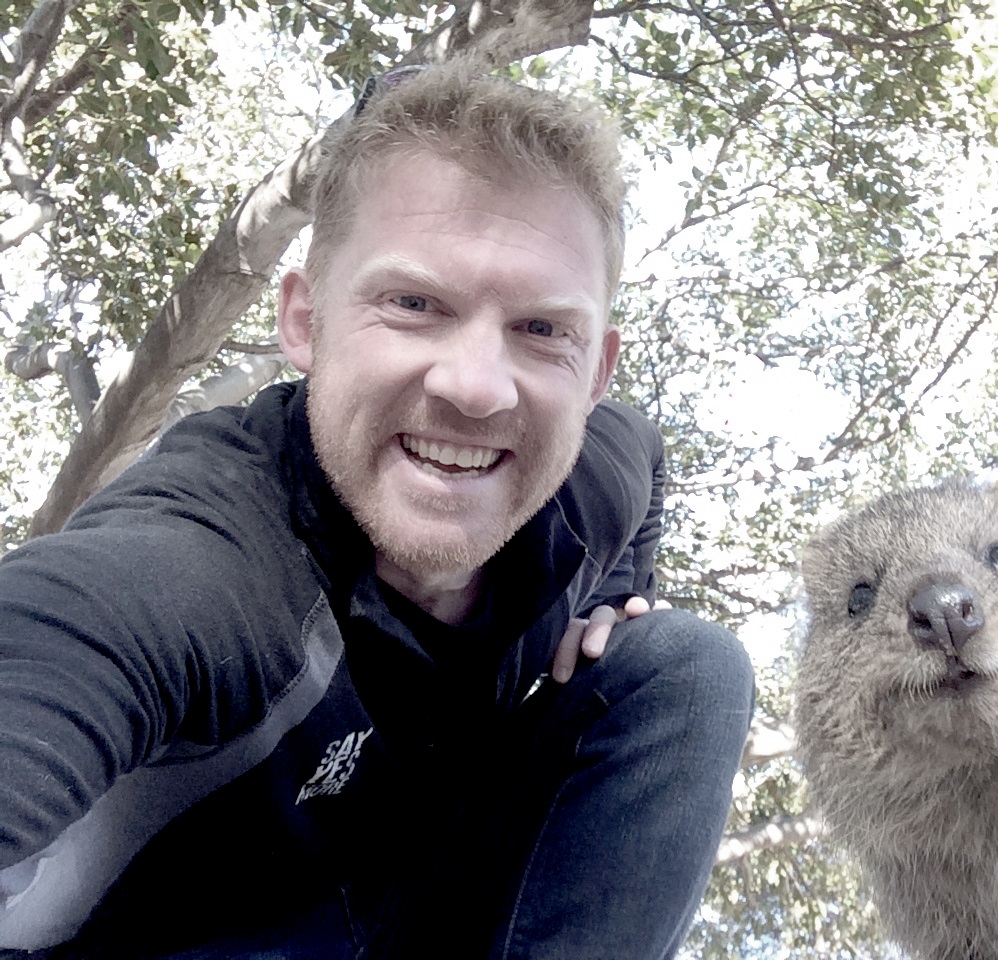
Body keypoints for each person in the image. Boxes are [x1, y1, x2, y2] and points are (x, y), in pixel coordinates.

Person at [0, 60, 755, 959]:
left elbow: (647, 467)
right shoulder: (199, 572)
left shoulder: (593, 484)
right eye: (414, 304)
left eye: (542, 330)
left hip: (421, 896)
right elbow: (64, 643)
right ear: (305, 321)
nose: (477, 387)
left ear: (595, 372)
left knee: (684, 666)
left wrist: (615, 599)